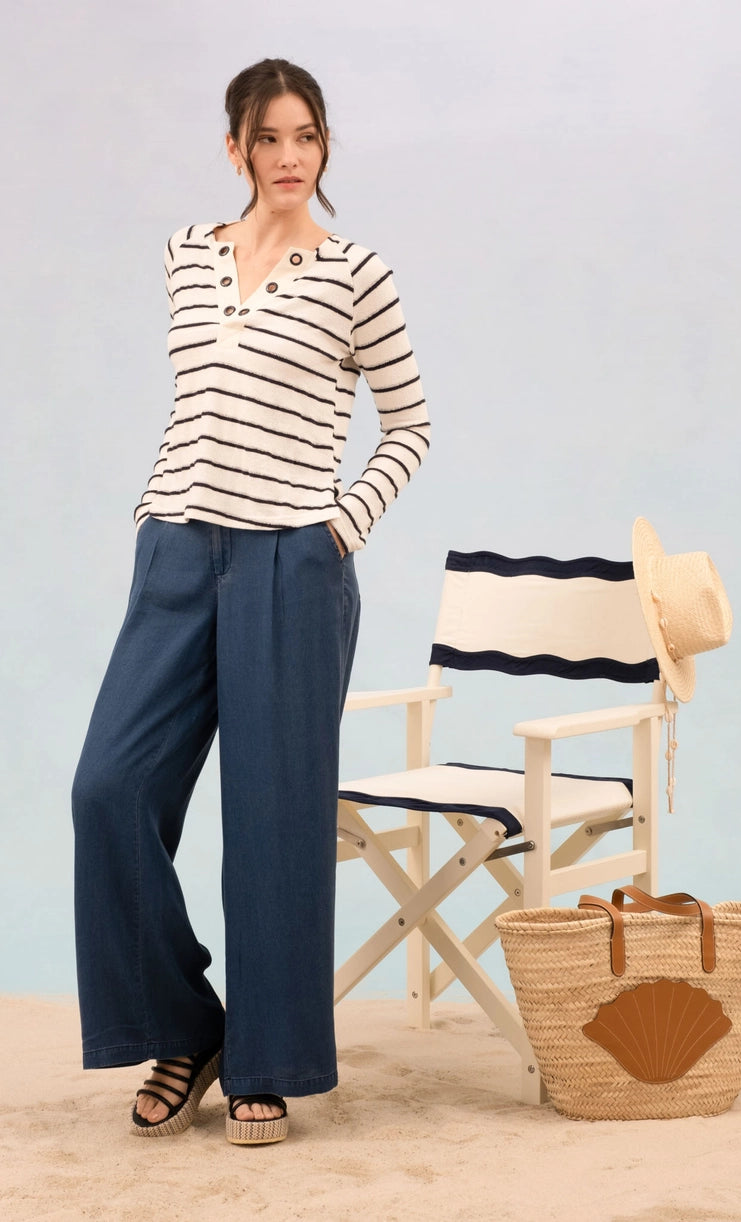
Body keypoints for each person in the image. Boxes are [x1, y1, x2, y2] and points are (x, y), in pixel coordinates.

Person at [71, 57, 430, 1146]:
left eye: (306, 136)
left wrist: (339, 525)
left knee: (273, 821)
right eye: (267, 137)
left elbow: (410, 424)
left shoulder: (355, 273)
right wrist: (156, 514)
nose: (288, 157)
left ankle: (266, 1062)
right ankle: (189, 1026)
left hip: (291, 562)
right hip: (178, 548)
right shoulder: (187, 255)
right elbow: (199, 402)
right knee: (108, 788)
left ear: (324, 147)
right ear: (234, 148)